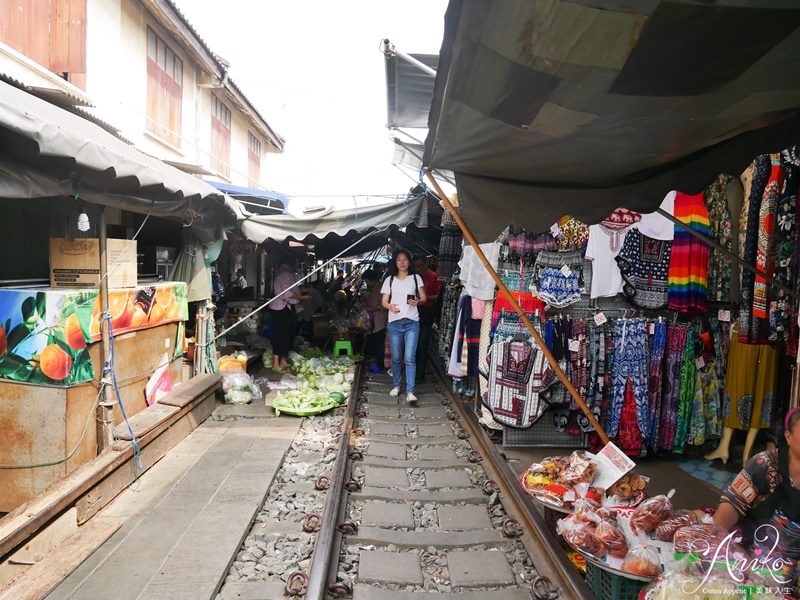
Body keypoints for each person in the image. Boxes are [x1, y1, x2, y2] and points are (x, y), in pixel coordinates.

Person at [712, 406, 800, 586]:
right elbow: (723, 519)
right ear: (788, 437)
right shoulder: (765, 465)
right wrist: (750, 569)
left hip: (789, 574)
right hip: (746, 562)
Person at [381, 249, 426, 404]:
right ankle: (396, 385)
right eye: (399, 259)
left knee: (409, 357)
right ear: (395, 262)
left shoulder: (416, 278)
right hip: (394, 322)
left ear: (409, 262)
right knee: (396, 356)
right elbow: (384, 301)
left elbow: (424, 298)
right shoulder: (389, 280)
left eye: (405, 259)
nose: (402, 262)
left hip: (412, 322)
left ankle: (410, 391)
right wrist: (390, 307)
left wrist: (417, 302)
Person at [269, 255, 308, 373]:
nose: (296, 263)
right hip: (280, 308)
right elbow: (287, 294)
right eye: (295, 261)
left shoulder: (286, 273)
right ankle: (276, 363)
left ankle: (283, 361)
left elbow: (292, 290)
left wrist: (304, 292)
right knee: (280, 335)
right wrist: (303, 297)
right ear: (290, 261)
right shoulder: (285, 274)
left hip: (285, 308)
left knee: (286, 335)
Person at [412, 255, 440, 383]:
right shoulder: (414, 278)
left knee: (422, 345)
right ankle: (415, 371)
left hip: (427, 313)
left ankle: (420, 373)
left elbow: (437, 296)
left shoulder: (433, 276)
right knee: (414, 344)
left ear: (425, 264)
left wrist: (424, 298)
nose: (418, 268)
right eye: (416, 266)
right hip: (414, 312)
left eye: (420, 266)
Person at [362, 269, 388, 373]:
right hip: (374, 322)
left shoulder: (381, 289)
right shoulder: (373, 289)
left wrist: (369, 309)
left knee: (379, 344)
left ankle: (380, 366)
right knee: (375, 344)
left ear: (372, 280)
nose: (366, 284)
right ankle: (376, 364)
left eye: (367, 281)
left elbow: (383, 306)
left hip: (380, 321)